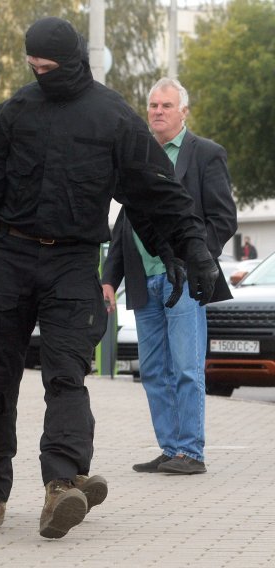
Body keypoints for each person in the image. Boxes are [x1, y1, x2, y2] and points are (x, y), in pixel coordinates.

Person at [0, 17, 219, 539]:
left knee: (67, 374)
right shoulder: (14, 114)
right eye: (35, 68)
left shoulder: (113, 116)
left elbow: (155, 192)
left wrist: (195, 251)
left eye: (51, 68)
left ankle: (61, 484)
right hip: (7, 256)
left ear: (74, 61)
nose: (43, 75)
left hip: (73, 262)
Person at [102, 78, 237, 475]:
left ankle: (191, 452)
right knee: (155, 370)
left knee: (186, 367)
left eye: (166, 105)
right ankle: (170, 447)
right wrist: (110, 277)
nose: (157, 111)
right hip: (145, 280)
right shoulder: (138, 158)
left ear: (183, 112)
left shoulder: (205, 155)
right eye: (153, 105)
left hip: (186, 283)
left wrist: (196, 258)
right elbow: (124, 222)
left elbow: (223, 219)